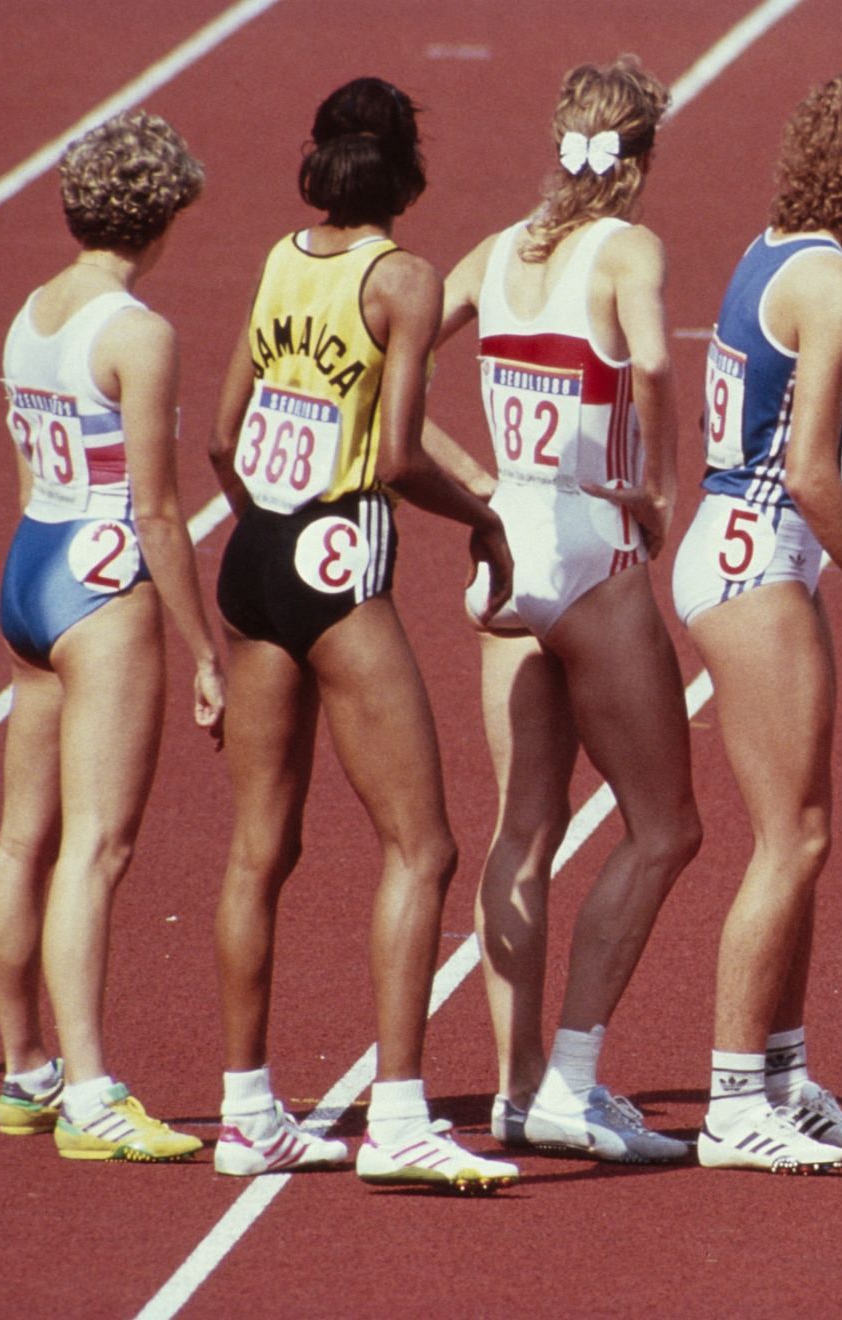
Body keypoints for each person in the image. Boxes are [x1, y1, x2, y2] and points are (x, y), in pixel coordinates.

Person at [208, 77, 518, 1191]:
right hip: (336, 556)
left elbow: (220, 435)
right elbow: (395, 457)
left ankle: (247, 1113)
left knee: (260, 849)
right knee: (423, 845)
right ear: (409, 172)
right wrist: (483, 516)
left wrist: (266, 548)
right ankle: (397, 1115)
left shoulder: (283, 259)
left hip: (251, 559)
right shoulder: (409, 280)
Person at [425, 56, 701, 1164]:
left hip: (506, 553)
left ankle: (514, 1085)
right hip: (592, 547)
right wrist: (662, 489)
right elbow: (654, 369)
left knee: (523, 830)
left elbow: (380, 365)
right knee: (666, 826)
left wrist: (468, 480)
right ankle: (572, 1083)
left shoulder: (496, 251)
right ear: (639, 157)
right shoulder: (629, 249)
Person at [668, 72, 842, 1173]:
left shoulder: (770, 244)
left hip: (738, 546)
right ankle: (735, 1101)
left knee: (804, 836)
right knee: (792, 839)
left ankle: (782, 1076)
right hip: (757, 560)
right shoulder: (834, 284)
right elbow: (814, 473)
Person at [0, 110, 221, 1162]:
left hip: (29, 567)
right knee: (98, 846)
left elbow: (29, 462)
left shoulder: (29, 314)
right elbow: (160, 513)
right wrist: (207, 647)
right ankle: (88, 1094)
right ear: (162, 219)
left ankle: (25, 1071)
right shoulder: (138, 332)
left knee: (21, 839)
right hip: (100, 583)